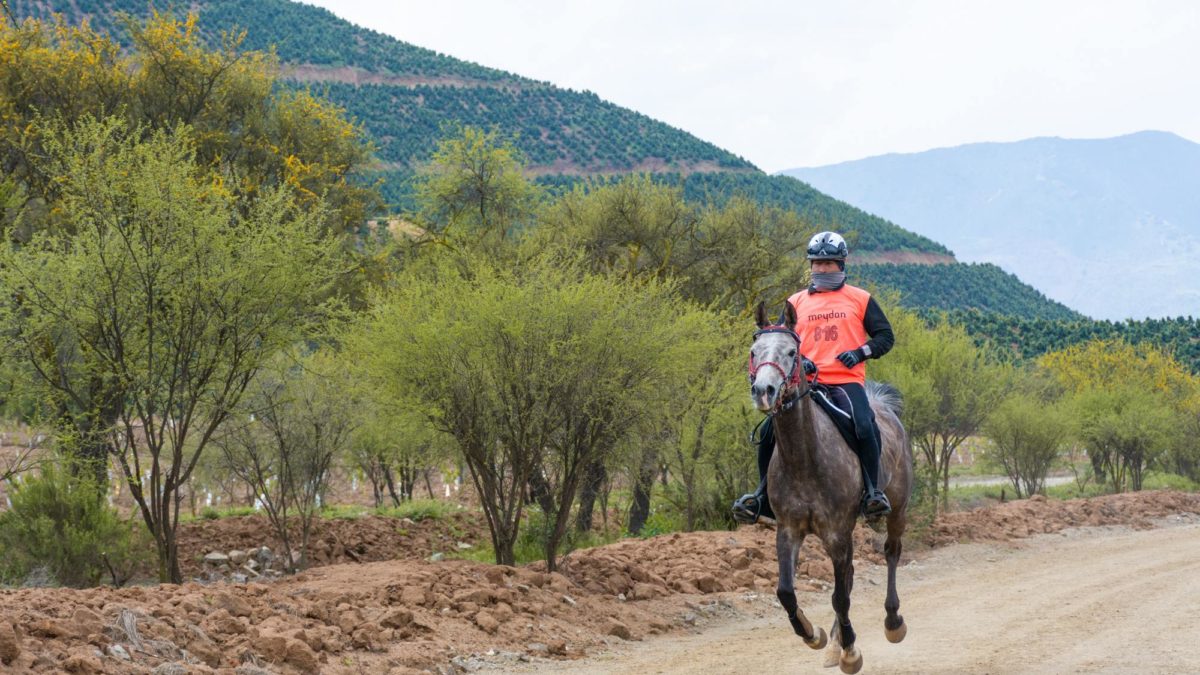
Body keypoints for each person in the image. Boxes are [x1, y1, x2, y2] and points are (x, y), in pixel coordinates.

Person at [733, 230, 895, 523]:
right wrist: (801, 362)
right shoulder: (795, 301)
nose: (821, 268)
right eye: (816, 263)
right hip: (805, 383)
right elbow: (781, 340)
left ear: (841, 264)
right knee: (770, 431)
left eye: (828, 263)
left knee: (864, 424)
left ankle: (872, 492)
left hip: (845, 381)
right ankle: (761, 496)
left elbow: (885, 336)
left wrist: (860, 353)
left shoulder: (860, 299)